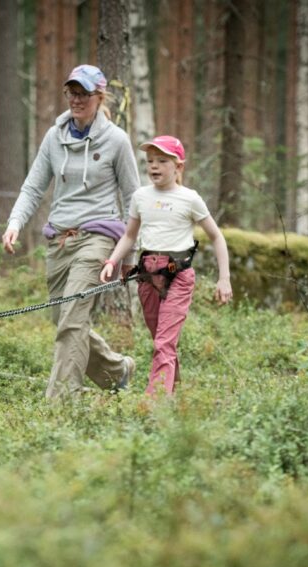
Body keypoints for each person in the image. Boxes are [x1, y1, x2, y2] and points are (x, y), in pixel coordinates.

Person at [1, 64, 140, 399]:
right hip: (60, 241)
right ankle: (116, 370)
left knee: (73, 322)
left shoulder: (117, 141)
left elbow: (134, 199)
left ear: (99, 96)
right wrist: (14, 222)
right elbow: (34, 187)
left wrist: (128, 255)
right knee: (62, 319)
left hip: (98, 238)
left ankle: (61, 405)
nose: (76, 100)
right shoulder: (55, 137)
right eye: (72, 93)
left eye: (84, 94)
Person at [100, 135, 232, 395]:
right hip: (147, 274)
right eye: (150, 161)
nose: (154, 166)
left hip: (178, 275)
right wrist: (112, 261)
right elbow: (129, 236)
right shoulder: (140, 197)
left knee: (163, 342)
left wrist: (224, 278)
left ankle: (156, 402)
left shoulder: (190, 198)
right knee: (159, 338)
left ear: (178, 166)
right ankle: (172, 381)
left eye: (162, 160)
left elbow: (217, 237)